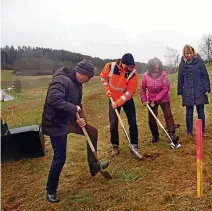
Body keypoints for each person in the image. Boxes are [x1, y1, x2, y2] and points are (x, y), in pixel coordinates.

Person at [42, 59, 99, 203]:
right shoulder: (61, 79)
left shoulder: (78, 84)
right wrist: (74, 109)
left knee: (92, 132)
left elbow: (78, 104)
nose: (88, 80)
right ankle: (51, 190)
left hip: (68, 120)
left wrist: (81, 119)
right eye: (88, 77)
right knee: (60, 157)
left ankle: (94, 167)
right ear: (81, 73)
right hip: (55, 123)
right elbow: (53, 99)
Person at [100, 53, 139, 156]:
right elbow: (104, 79)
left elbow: (130, 91)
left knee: (133, 122)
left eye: (131, 66)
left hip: (127, 100)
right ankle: (115, 146)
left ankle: (134, 145)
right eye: (128, 66)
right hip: (113, 99)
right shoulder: (110, 67)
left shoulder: (133, 73)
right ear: (122, 63)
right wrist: (107, 89)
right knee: (113, 124)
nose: (130, 68)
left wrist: (119, 102)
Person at [140, 57, 180, 144]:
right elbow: (142, 89)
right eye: (154, 68)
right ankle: (155, 135)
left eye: (158, 68)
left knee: (168, 115)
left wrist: (157, 99)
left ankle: (172, 134)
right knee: (151, 119)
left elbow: (166, 88)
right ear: (150, 68)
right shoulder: (145, 76)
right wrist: (144, 99)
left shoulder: (164, 74)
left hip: (163, 98)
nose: (156, 70)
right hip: (151, 99)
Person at [177, 45, 211, 136]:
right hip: (187, 91)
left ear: (193, 53)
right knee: (189, 112)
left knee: (201, 111)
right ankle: (189, 131)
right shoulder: (182, 65)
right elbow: (180, 79)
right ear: (184, 54)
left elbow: (205, 76)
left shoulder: (199, 62)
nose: (189, 55)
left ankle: (202, 131)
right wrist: (179, 92)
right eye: (187, 53)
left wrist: (207, 88)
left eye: (190, 53)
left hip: (199, 90)